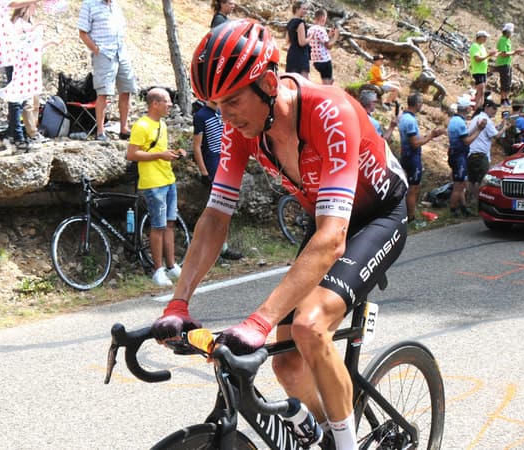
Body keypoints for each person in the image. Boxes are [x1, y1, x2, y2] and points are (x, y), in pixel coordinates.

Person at [154, 19, 410, 450]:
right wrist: (179, 301)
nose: (225, 116)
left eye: (232, 100)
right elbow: (216, 217)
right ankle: (328, 428)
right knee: (287, 364)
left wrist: (259, 319)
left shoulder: (330, 111)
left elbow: (332, 239)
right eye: (217, 105)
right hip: (328, 215)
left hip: (378, 216)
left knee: (309, 326)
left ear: (270, 83)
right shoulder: (242, 130)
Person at [125, 88, 187, 286]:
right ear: (155, 104)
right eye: (167, 101)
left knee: (169, 223)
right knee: (158, 226)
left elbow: (159, 151)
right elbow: (132, 154)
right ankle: (157, 269)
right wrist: (159, 155)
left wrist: (174, 153)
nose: (170, 105)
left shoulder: (161, 124)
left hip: (168, 180)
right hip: (154, 184)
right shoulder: (141, 125)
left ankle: (171, 265)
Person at [78, 0, 137, 142]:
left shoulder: (115, 5)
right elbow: (82, 32)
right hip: (104, 53)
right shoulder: (89, 4)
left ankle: (124, 129)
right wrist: (96, 49)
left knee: (126, 89)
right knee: (103, 92)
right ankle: (100, 132)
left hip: (120, 52)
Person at [192, 101, 244, 260]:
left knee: (226, 209)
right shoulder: (201, 115)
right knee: (216, 210)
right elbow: (196, 146)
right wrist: (203, 172)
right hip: (213, 164)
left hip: (225, 163)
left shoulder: (223, 112)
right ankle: (212, 250)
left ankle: (224, 247)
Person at [0, 0, 39, 150]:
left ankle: (11, 134)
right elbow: (14, 3)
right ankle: (18, 138)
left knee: (15, 95)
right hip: (10, 54)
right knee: (16, 96)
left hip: (9, 53)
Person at [8, 3, 58, 145]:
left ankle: (33, 130)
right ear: (26, 7)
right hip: (23, 66)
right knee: (27, 102)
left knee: (35, 101)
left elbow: (35, 46)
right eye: (34, 6)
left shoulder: (30, 22)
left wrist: (49, 43)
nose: (36, 9)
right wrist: (33, 29)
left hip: (34, 65)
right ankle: (31, 132)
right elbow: (19, 42)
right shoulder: (17, 23)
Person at [398, 92, 445, 223]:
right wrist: (431, 136)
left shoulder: (403, 116)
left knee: (410, 187)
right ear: (417, 103)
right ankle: (411, 218)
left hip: (405, 155)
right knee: (413, 188)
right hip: (412, 157)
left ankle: (408, 215)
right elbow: (415, 143)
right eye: (421, 103)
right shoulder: (410, 120)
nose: (422, 105)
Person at [447, 95, 485, 217]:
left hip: (454, 154)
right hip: (459, 156)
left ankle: (463, 207)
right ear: (467, 108)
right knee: (458, 185)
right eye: (470, 107)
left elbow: (465, 134)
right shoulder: (460, 122)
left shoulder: (454, 120)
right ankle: (453, 210)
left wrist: (477, 127)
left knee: (461, 183)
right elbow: (467, 141)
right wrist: (479, 130)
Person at [466, 98, 506, 206]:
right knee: (482, 181)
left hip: (471, 153)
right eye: (493, 109)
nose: (494, 112)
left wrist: (499, 126)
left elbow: (470, 132)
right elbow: (497, 135)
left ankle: (468, 202)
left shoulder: (476, 118)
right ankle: (479, 203)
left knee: (471, 180)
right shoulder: (486, 120)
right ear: (487, 107)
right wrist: (505, 128)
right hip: (481, 155)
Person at [306, 8, 339, 85]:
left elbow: (320, 42)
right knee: (327, 84)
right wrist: (335, 37)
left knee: (328, 81)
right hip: (324, 60)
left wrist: (329, 35)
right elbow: (328, 46)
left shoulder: (311, 29)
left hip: (316, 61)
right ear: (323, 18)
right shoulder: (321, 30)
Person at [495, 23, 524, 107]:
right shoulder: (503, 40)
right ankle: (503, 100)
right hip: (502, 63)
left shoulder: (508, 40)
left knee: (508, 83)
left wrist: (515, 52)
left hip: (507, 63)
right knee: (504, 82)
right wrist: (514, 52)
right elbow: (503, 54)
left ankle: (506, 99)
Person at [469, 30, 496, 112]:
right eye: (484, 37)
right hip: (478, 71)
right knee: (480, 91)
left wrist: (491, 55)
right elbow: (477, 59)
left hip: (483, 72)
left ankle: (479, 109)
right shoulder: (475, 46)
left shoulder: (482, 47)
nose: (486, 39)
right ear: (479, 37)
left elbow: (484, 58)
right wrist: (488, 55)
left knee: (481, 92)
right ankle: (477, 110)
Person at [285, 2, 310, 78]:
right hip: (301, 56)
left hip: (291, 54)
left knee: (291, 82)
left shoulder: (290, 22)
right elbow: (302, 43)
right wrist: (311, 37)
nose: (305, 11)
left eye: (306, 9)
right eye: (303, 9)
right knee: (303, 83)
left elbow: (287, 41)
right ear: (297, 9)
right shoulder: (300, 23)